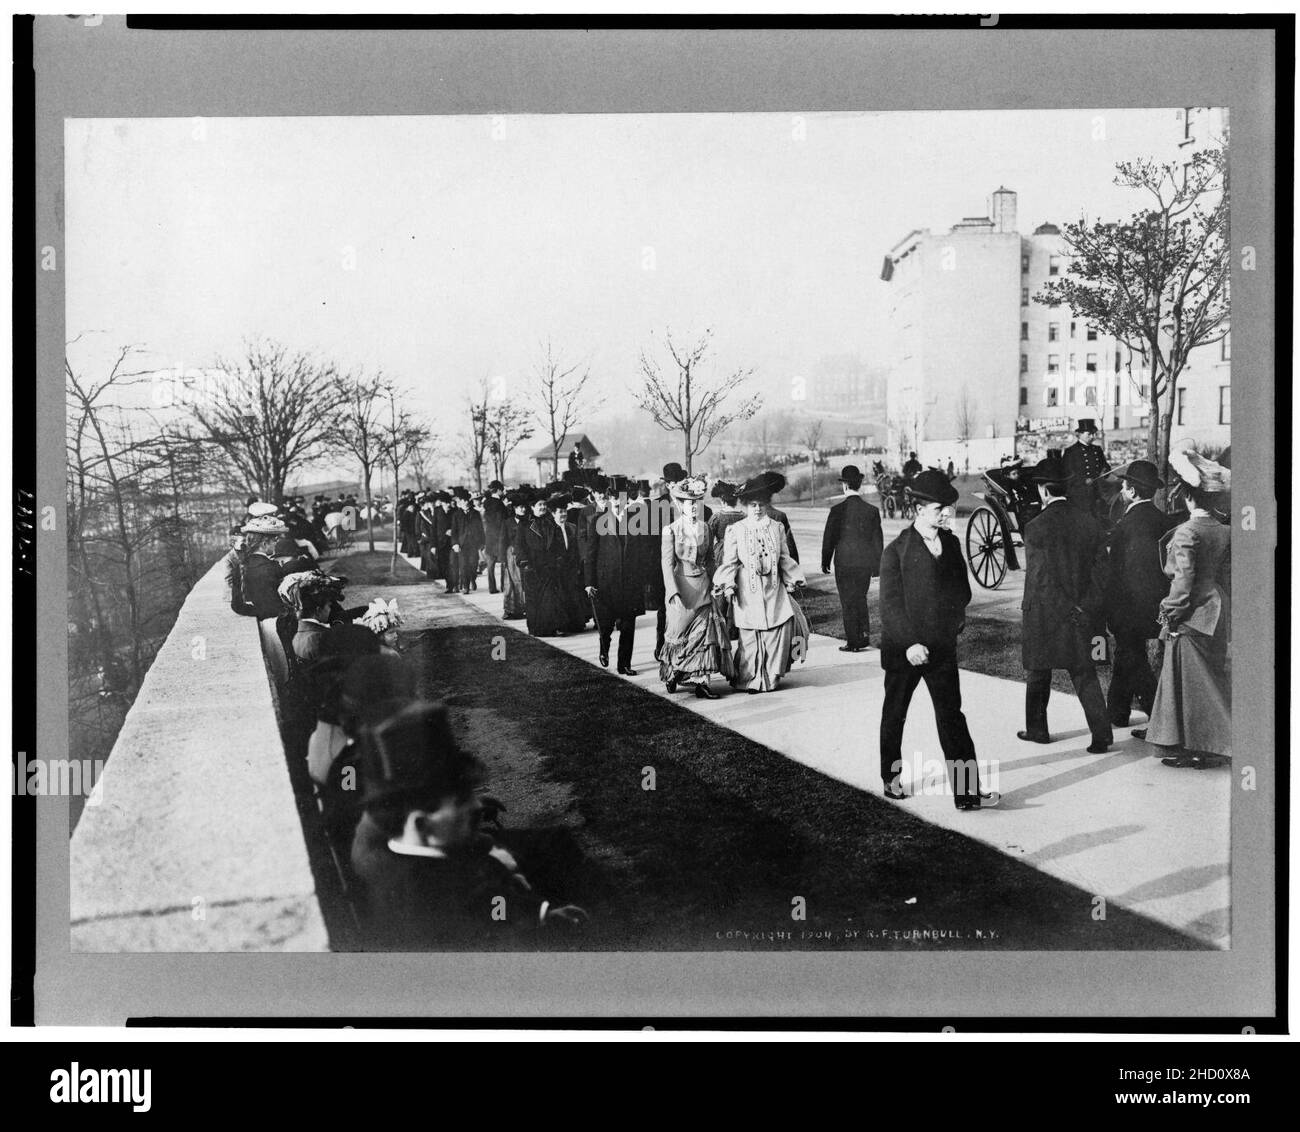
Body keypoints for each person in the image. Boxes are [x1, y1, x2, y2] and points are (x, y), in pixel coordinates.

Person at [349, 700, 588, 949]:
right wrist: (544, 917)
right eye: (462, 800)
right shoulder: (439, 898)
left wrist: (540, 911)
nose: (476, 806)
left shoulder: (411, 865)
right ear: (421, 825)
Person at [877, 470, 998, 810]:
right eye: (938, 509)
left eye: (947, 507)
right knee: (895, 714)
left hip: (942, 648)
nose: (946, 514)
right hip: (905, 651)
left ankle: (967, 791)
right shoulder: (895, 552)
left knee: (952, 717)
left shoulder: (952, 543)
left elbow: (962, 590)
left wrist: (953, 622)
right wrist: (911, 644)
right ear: (918, 510)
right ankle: (891, 777)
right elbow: (889, 607)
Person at [1138, 447, 1231, 768]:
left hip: (1192, 615)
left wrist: (1170, 613)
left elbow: (1183, 583)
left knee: (1193, 686)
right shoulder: (1224, 530)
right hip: (1217, 614)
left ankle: (1203, 746)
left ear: (1189, 498)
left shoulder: (1188, 533)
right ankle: (1200, 744)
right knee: (1207, 682)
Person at [1017, 451, 1113, 753]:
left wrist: (1064, 607)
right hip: (1084, 613)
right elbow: (1103, 573)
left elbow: (1040, 579)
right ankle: (1101, 734)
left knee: (1038, 672)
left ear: (1044, 490)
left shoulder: (1035, 528)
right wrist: (1085, 605)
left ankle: (1038, 730)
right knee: (1084, 673)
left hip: (1046, 614)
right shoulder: (1090, 523)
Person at [713, 472, 808, 694]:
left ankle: (771, 678)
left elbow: (784, 557)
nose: (757, 509)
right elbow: (730, 562)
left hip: (773, 589)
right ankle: (749, 679)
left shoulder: (776, 528)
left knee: (777, 633)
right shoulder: (736, 529)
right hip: (748, 590)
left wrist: (794, 577)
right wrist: (728, 584)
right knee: (750, 639)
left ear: (766, 505)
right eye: (753, 505)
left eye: (761, 505)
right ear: (745, 506)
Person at [1098, 459, 1176, 727]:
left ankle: (1159, 718)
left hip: (1129, 607)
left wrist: (1109, 610)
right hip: (1157, 605)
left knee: (1133, 658)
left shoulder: (1124, 526)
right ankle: (1117, 713)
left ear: (1130, 491)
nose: (1121, 488)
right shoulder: (1163, 521)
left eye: (1124, 485)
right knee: (1128, 655)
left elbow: (1115, 575)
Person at [658, 475, 734, 697]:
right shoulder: (670, 530)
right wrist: (672, 592)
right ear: (681, 505)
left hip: (703, 588)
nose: (693, 508)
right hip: (681, 589)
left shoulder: (705, 528)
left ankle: (702, 682)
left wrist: (716, 582)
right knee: (679, 636)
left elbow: (710, 560)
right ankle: (674, 674)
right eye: (689, 503)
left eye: (697, 503)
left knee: (705, 635)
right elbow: (666, 563)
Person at [584, 475, 652, 676]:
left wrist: (645, 579)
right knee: (606, 624)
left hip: (630, 582)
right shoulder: (598, 520)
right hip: (605, 583)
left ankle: (624, 664)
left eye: (619, 497)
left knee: (628, 625)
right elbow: (590, 554)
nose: (616, 501)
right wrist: (589, 582)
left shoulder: (637, 520)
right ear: (608, 498)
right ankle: (604, 646)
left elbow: (644, 552)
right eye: (612, 497)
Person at [821, 464, 884, 652]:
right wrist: (877, 566)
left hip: (844, 563)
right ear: (859, 485)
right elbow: (877, 541)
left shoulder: (837, 510)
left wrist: (825, 561)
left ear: (845, 486)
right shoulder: (871, 511)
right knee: (860, 598)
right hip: (864, 563)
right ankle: (863, 636)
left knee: (848, 602)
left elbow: (829, 538)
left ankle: (853, 641)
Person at [516, 492, 585, 637]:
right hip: (532, 568)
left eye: (544, 504)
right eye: (539, 505)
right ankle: (536, 629)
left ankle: (552, 627)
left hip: (548, 567)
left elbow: (556, 543)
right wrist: (525, 563)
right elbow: (520, 547)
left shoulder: (550, 523)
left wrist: (557, 560)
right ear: (532, 507)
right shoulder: (524, 524)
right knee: (534, 600)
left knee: (550, 598)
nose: (542, 507)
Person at [1060, 418, 1112, 519]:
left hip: (1097, 494)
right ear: (1080, 434)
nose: (1093, 437)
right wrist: (1083, 480)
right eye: (1089, 434)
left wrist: (1105, 471)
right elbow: (1066, 474)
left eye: (1094, 434)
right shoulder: (1071, 452)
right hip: (1078, 497)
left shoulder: (1097, 450)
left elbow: (1105, 466)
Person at [501, 487, 531, 620]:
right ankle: (510, 609)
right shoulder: (508, 523)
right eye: (519, 507)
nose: (522, 510)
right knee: (511, 583)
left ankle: (526, 607)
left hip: (526, 553)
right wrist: (503, 558)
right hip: (511, 555)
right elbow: (503, 540)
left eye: (524, 507)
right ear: (514, 508)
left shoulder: (529, 522)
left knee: (525, 581)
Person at [481, 481, 508, 595]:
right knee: (503, 562)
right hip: (499, 535)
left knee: (490, 564)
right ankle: (503, 586)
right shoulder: (500, 504)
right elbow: (502, 520)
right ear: (499, 490)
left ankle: (492, 587)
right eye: (502, 490)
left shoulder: (486, 502)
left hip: (489, 535)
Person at [221, 524, 246, 606]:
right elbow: (229, 580)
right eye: (242, 541)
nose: (244, 544)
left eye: (245, 541)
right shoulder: (228, 559)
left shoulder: (246, 553)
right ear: (233, 542)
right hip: (233, 596)